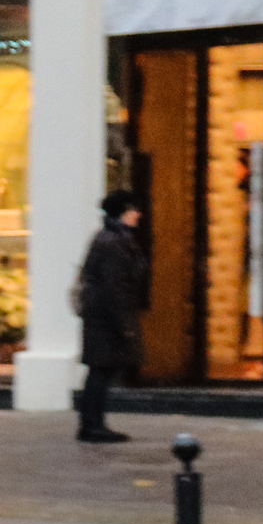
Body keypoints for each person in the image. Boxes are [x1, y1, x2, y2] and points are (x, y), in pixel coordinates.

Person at [76, 189, 149, 443]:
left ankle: (93, 423)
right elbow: (115, 287)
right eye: (133, 210)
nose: (138, 215)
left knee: (100, 371)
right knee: (101, 371)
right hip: (105, 320)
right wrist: (125, 326)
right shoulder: (113, 242)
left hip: (101, 317)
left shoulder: (110, 238)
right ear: (123, 212)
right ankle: (92, 425)